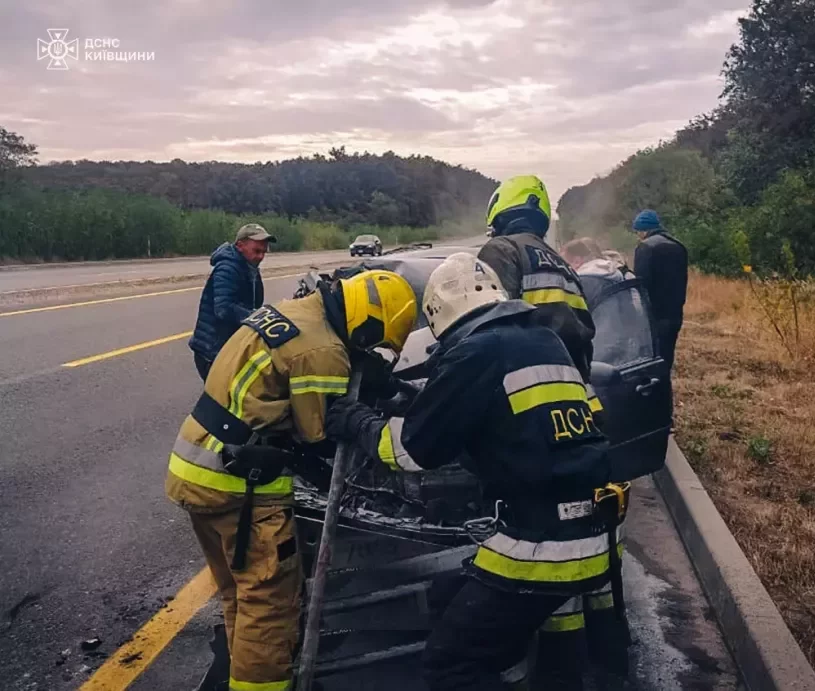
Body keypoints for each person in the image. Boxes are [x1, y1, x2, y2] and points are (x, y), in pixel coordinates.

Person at [324, 253, 629, 691]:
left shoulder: (474, 352)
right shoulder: (546, 341)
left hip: (540, 548)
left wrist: (357, 421)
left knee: (450, 665)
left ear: (438, 316)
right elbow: (536, 422)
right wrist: (411, 399)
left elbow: (411, 450)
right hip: (598, 534)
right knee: (485, 620)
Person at [165, 269, 418, 691]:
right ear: (366, 322)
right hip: (242, 489)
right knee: (270, 610)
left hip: (194, 466)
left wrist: (371, 371)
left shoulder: (300, 310)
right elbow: (318, 434)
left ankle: (239, 675)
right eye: (374, 339)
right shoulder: (323, 353)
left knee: (240, 596)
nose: (372, 347)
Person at [478, 175, 597, 382]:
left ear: (500, 212)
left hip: (519, 387)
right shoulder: (565, 268)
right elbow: (585, 340)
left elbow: (486, 329)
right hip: (570, 390)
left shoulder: (501, 249)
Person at [189, 223, 276, 381]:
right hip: (212, 352)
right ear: (240, 245)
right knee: (223, 402)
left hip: (227, 347)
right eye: (257, 251)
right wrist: (258, 318)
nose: (261, 257)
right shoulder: (228, 268)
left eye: (264, 252)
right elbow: (223, 308)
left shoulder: (248, 266)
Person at [630, 210, 688, 370]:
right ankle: (665, 390)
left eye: (637, 231)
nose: (637, 235)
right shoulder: (679, 246)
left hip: (653, 316)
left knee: (651, 360)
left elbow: (641, 284)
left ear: (644, 230)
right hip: (675, 314)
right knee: (666, 359)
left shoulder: (645, 247)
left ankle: (655, 392)